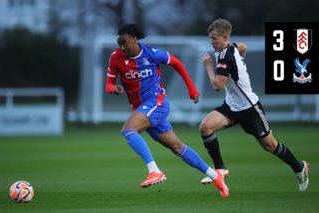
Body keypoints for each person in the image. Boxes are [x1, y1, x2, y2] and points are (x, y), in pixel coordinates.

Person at [106, 24, 229, 197]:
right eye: (119, 43)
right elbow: (109, 84)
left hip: (156, 102)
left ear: (135, 39)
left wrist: (192, 89)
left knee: (128, 129)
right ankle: (215, 176)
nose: (122, 47)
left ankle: (154, 171)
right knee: (178, 147)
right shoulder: (115, 57)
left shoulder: (151, 53)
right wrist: (113, 89)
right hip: (143, 108)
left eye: (125, 43)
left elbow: (177, 63)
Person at [199, 18, 309, 192]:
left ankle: (299, 167)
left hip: (249, 108)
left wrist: (208, 67)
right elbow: (243, 47)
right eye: (210, 38)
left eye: (214, 38)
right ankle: (220, 169)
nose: (211, 42)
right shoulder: (229, 47)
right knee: (205, 127)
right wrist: (241, 65)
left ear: (225, 37)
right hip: (232, 105)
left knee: (269, 146)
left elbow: (217, 86)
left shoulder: (225, 56)